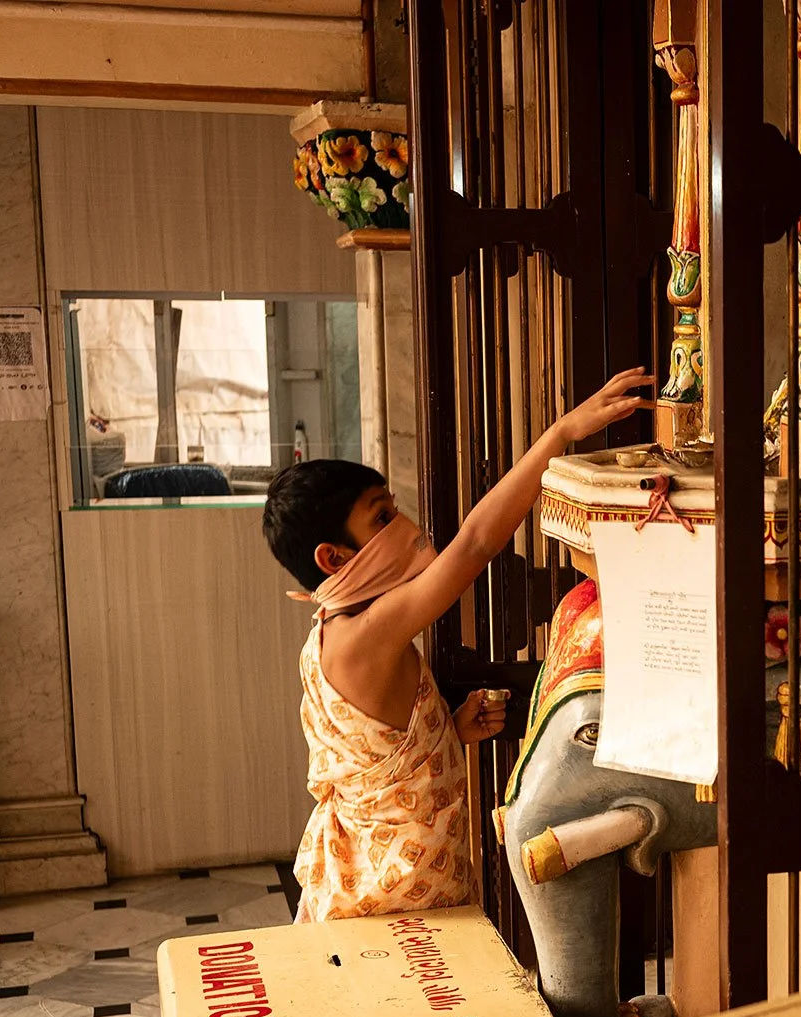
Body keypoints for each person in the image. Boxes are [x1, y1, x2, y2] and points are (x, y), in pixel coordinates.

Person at [261, 367, 654, 921]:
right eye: (381, 517)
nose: (403, 524)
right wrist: (561, 434)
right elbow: (473, 544)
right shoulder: (362, 635)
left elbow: (380, 756)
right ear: (334, 558)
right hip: (392, 887)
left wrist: (446, 729)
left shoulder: (332, 629)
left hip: (389, 875)